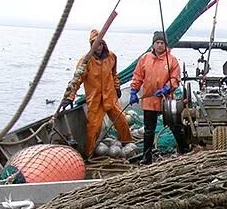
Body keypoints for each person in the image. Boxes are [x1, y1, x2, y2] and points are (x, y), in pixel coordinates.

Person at [60, 30, 133, 158]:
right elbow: (76, 80)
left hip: (110, 98)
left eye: (100, 44)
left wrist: (117, 87)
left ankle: (128, 145)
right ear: (91, 45)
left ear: (104, 44)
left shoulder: (111, 56)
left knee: (122, 122)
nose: (98, 47)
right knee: (93, 128)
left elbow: (114, 74)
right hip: (95, 100)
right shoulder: (85, 61)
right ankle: (90, 155)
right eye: (95, 44)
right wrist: (69, 97)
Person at [129, 31, 189, 165]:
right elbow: (138, 76)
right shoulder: (145, 58)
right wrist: (134, 91)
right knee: (149, 130)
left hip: (166, 101)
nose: (160, 45)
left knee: (175, 126)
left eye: (162, 43)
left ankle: (185, 151)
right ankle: (147, 158)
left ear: (166, 45)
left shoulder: (172, 60)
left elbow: (175, 78)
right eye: (157, 42)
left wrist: (168, 88)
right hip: (149, 101)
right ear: (153, 44)